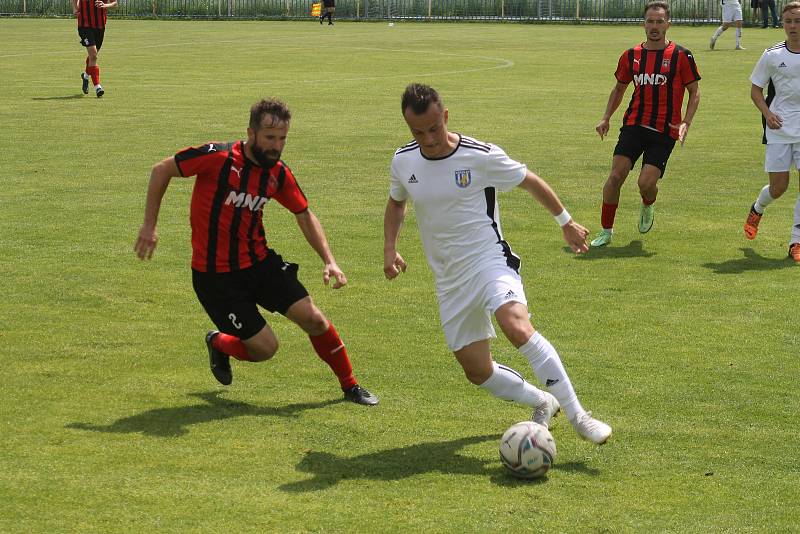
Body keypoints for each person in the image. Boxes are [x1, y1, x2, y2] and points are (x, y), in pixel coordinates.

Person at [383, 83, 612, 444]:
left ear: (445, 117)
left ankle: (579, 416)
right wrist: (389, 248)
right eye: (418, 132)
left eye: (433, 128)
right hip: (449, 279)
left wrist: (565, 222)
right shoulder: (403, 160)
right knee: (476, 370)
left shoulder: (481, 156)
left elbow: (530, 181)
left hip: (489, 260)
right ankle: (543, 401)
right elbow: (397, 203)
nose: (428, 138)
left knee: (516, 325)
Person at [134, 98, 379, 405]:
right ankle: (219, 342)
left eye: (282, 139)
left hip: (259, 264)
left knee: (314, 319)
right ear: (251, 133)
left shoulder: (277, 173)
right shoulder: (217, 157)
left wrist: (329, 261)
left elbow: (304, 214)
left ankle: (350, 386)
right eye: (270, 138)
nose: (276, 146)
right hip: (216, 278)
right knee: (265, 349)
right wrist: (149, 226)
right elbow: (161, 170)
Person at [591, 1, 701, 247]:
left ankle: (647, 203)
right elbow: (619, 88)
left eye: (659, 21)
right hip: (634, 125)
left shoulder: (682, 56)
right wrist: (606, 117)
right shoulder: (631, 55)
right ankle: (606, 231)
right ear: (644, 24)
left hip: (665, 130)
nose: (654, 26)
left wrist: (686, 122)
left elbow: (694, 91)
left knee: (646, 183)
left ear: (668, 24)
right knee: (615, 176)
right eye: (650, 21)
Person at [743, 2, 800, 263]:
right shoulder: (773, 55)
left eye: (798, 21)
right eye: (788, 21)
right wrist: (768, 115)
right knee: (779, 187)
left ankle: (795, 242)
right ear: (783, 23)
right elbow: (756, 89)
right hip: (778, 128)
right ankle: (758, 208)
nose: (793, 26)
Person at [72, 0, 116, 98]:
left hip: (100, 26)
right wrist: (75, 7)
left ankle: (86, 75)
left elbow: (115, 3)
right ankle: (97, 87)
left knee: (93, 57)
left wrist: (105, 5)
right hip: (84, 25)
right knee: (94, 55)